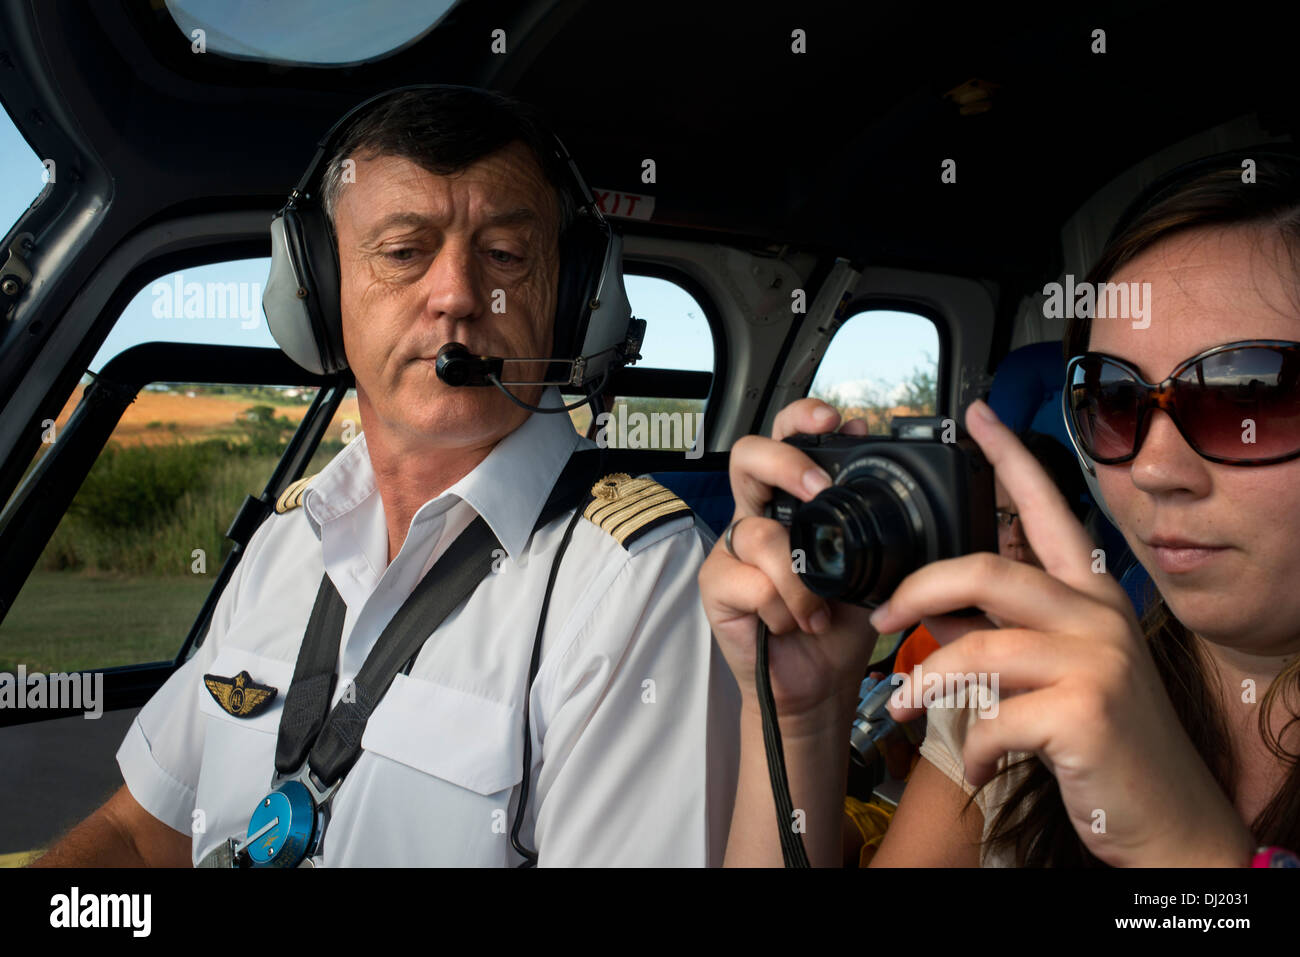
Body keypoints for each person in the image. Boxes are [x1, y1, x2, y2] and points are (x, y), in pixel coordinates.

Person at [31, 86, 739, 867]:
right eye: (404, 252)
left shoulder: (640, 586)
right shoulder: (287, 540)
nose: (459, 295)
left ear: (574, 300)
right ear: (319, 291)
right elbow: (139, 836)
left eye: (505, 255)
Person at [700, 149, 1300, 867]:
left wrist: (1194, 856)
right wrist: (802, 720)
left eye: (1247, 395)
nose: (1151, 467)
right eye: (1112, 398)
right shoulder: (1022, 697)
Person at [892, 430, 1090, 674]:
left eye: (1037, 517)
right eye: (995, 517)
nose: (1016, 538)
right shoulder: (926, 647)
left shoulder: (1088, 646)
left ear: (1075, 523)